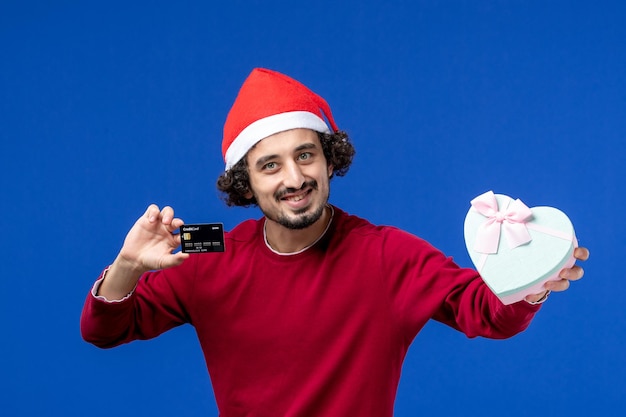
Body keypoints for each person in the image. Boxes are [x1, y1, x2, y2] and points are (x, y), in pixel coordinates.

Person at [80, 68, 588, 416]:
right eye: (270, 165)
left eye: (306, 155)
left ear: (328, 159)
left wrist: (530, 280)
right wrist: (127, 263)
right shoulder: (207, 247)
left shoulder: (385, 252)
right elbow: (104, 330)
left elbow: (485, 312)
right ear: (246, 182)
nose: (294, 178)